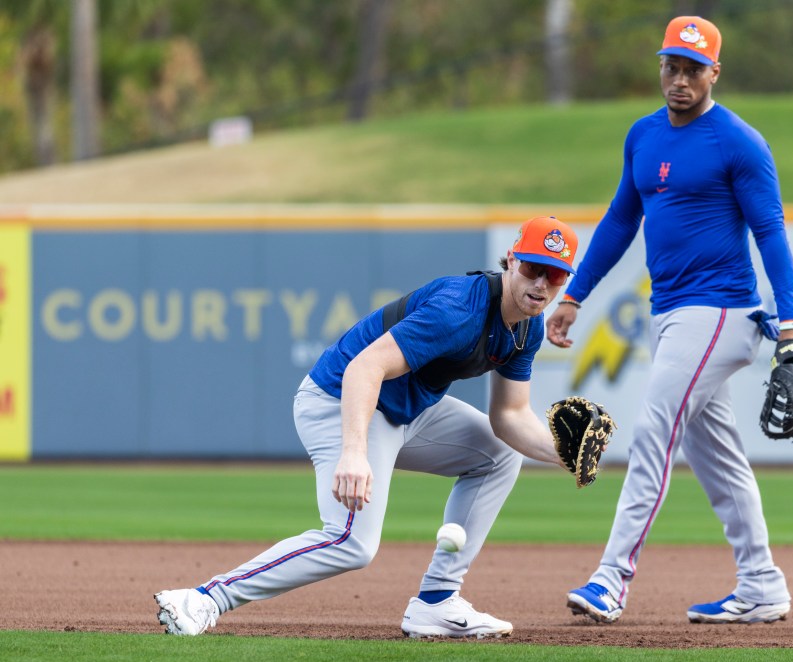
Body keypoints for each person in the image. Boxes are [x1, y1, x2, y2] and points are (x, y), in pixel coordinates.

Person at [156, 216, 581, 638]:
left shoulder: (528, 328)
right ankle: (204, 598)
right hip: (339, 398)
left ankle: (437, 602)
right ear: (510, 260)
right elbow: (366, 367)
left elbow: (509, 416)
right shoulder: (459, 309)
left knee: (500, 453)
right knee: (351, 543)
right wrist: (354, 452)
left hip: (408, 409)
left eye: (556, 274)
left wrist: (566, 455)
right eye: (532, 267)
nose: (541, 284)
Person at [547, 16, 793, 625]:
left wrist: (791, 320)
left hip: (720, 310)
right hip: (673, 314)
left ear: (715, 72)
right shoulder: (642, 135)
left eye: (694, 68)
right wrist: (574, 295)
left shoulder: (739, 141)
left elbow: (770, 231)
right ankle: (762, 583)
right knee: (718, 458)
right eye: (672, 65)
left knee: (653, 429)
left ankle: (612, 577)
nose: (681, 78)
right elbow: (618, 221)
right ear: (660, 66)